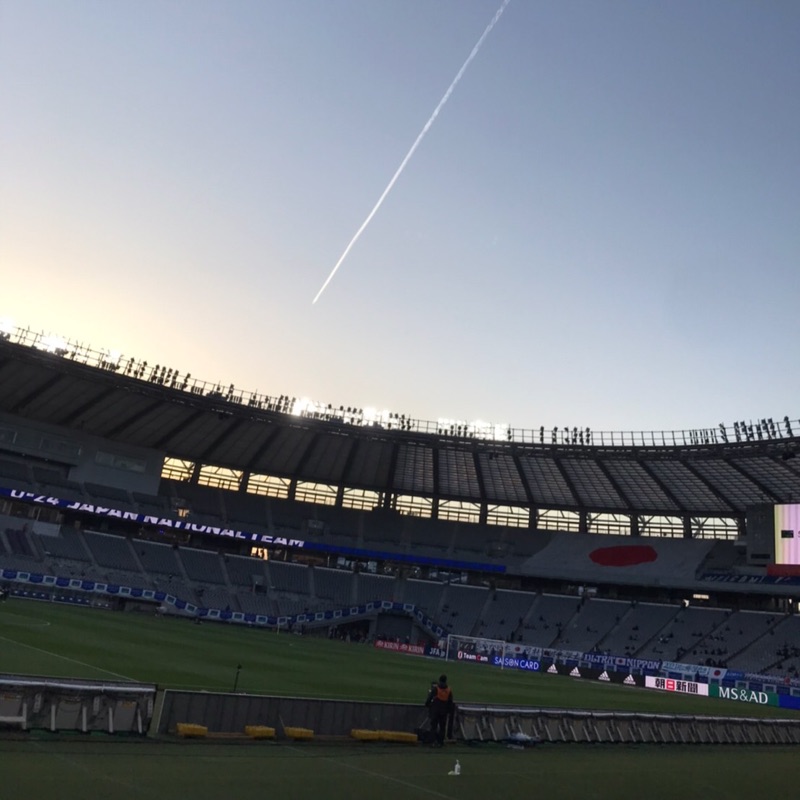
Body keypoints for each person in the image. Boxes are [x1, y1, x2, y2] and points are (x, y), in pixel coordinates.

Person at [425, 674, 455, 746]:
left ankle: (432, 741)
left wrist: (427, 704)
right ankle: (440, 742)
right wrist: (449, 711)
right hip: (444, 711)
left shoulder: (436, 688)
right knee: (442, 727)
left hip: (435, 710)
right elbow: (450, 702)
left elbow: (430, 697)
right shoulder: (448, 690)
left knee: (433, 727)